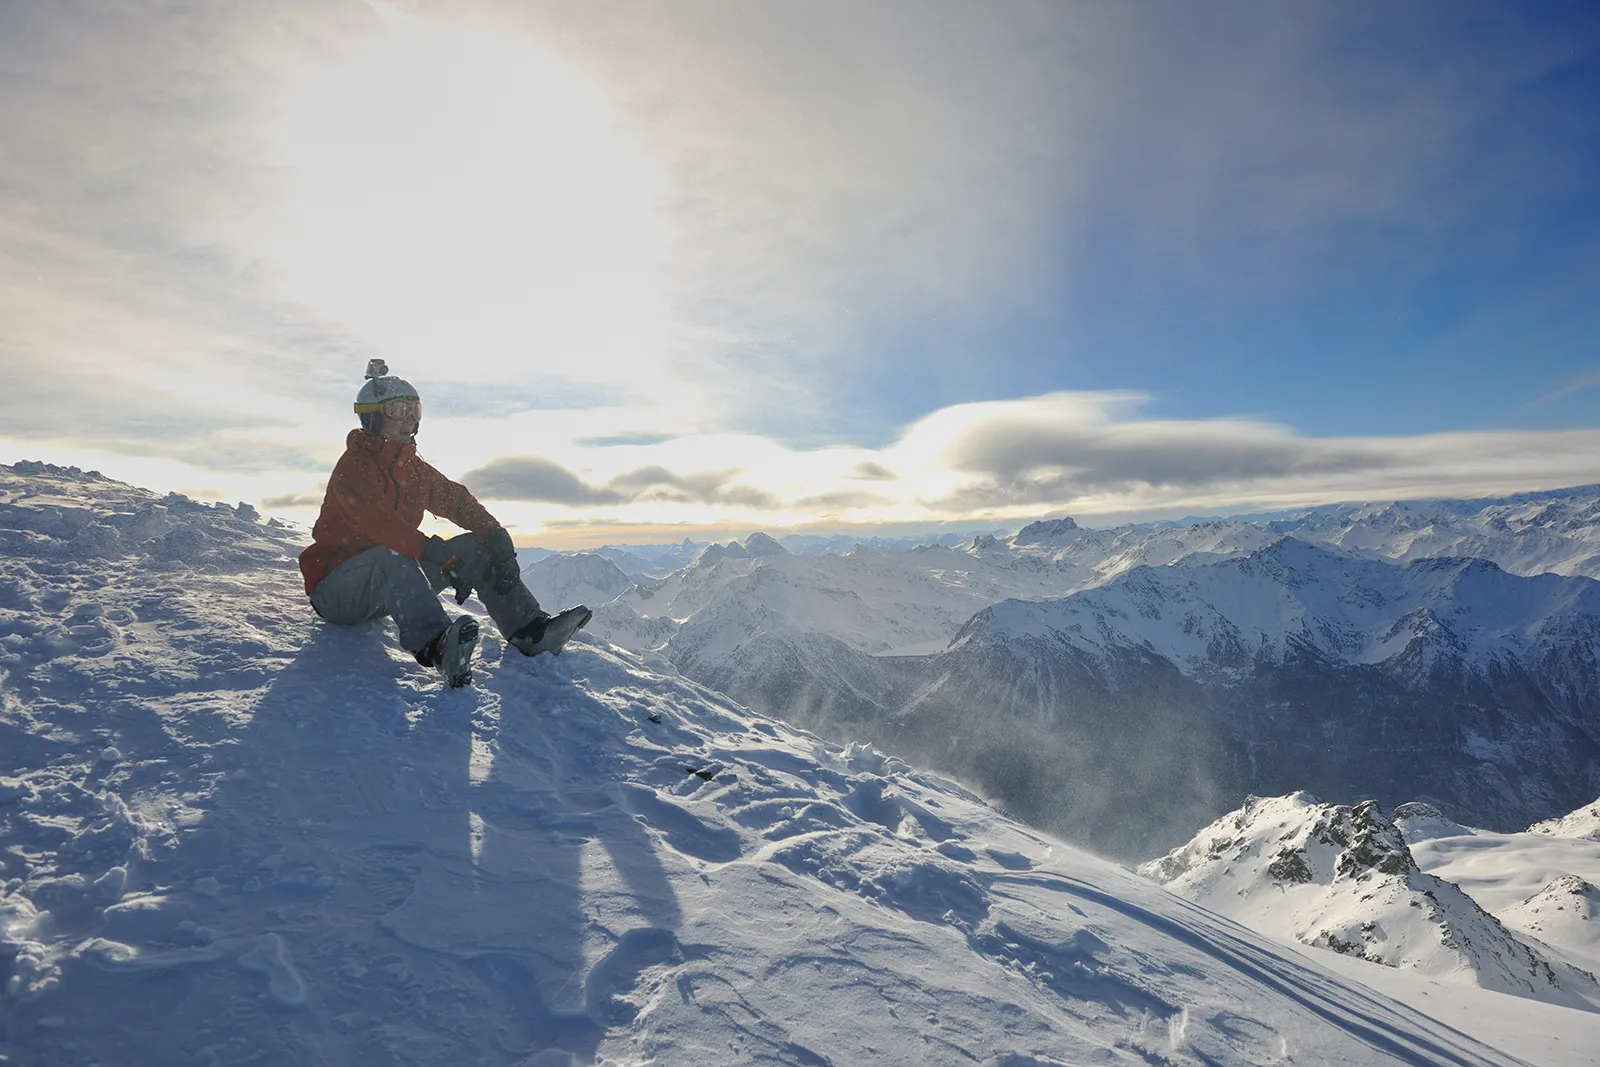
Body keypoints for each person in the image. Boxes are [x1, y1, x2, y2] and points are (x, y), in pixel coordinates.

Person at [298, 360, 591, 686]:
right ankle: (436, 646)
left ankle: (528, 630)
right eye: (398, 410)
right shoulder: (354, 466)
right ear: (373, 416)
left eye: (415, 411)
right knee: (391, 554)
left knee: (475, 546)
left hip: (388, 586)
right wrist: (437, 554)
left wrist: (495, 535)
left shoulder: (411, 468)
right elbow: (379, 526)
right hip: (337, 592)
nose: (409, 420)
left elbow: (456, 499)